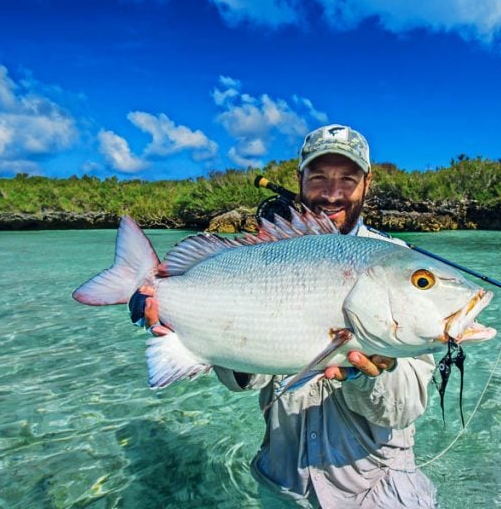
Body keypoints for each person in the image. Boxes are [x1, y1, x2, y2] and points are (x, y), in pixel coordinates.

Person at [140, 124, 438, 508]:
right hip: (283, 482)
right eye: (318, 177)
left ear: (367, 183)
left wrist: (370, 377)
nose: (332, 193)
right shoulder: (268, 253)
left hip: (377, 487)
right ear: (300, 180)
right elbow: (246, 380)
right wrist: (173, 315)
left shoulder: (400, 265)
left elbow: (406, 407)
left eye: (347, 178)